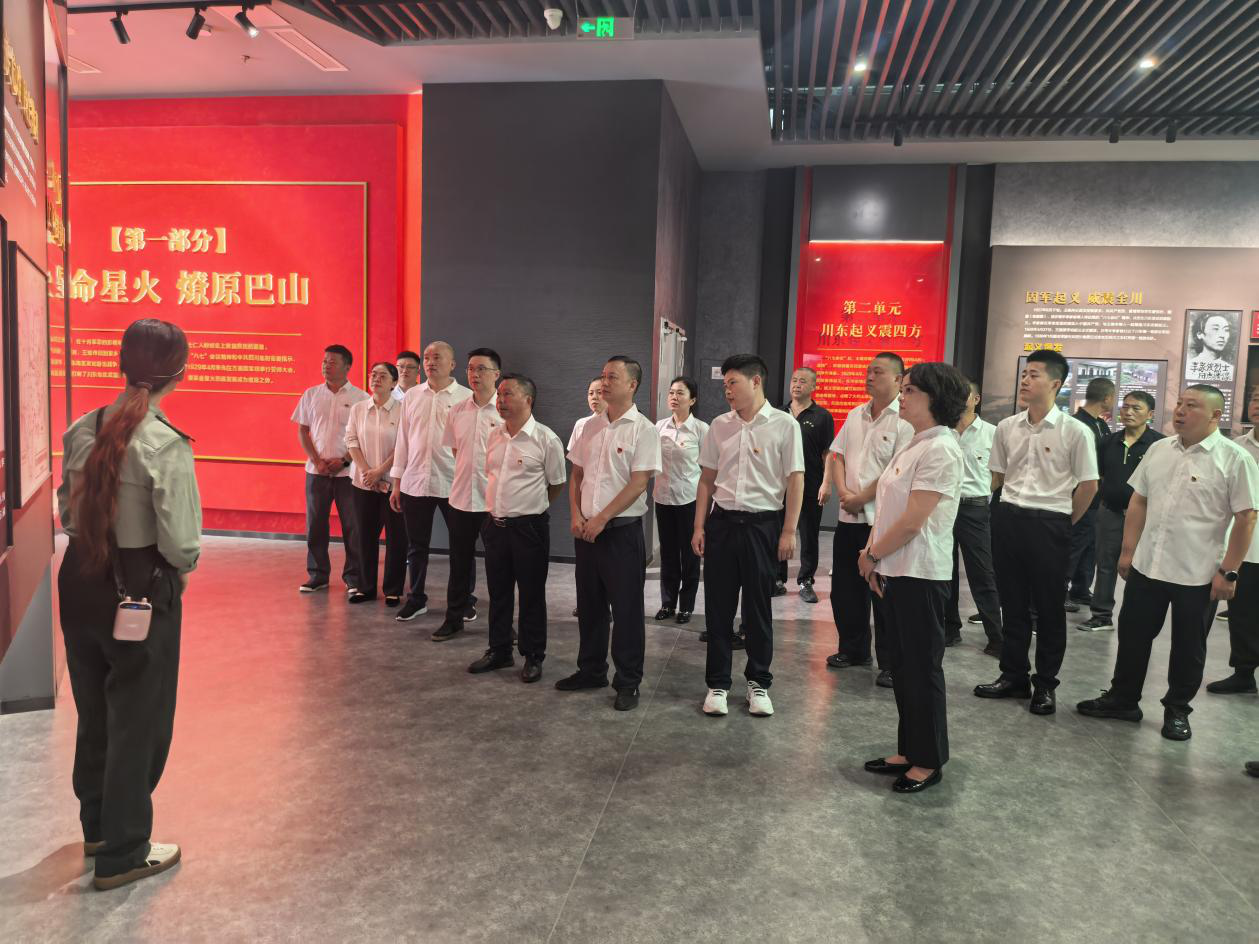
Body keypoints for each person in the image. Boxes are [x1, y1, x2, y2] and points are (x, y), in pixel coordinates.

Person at [57, 318, 201, 891]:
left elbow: (67, 512)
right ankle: (124, 852)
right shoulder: (165, 443)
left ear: (121, 364)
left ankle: (97, 829)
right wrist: (175, 579)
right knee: (139, 720)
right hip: (140, 585)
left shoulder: (81, 429)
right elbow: (182, 543)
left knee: (94, 710)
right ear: (180, 373)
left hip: (79, 576)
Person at [1077, 385, 1258, 740]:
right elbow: (1140, 500)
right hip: (1149, 565)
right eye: (1179, 403)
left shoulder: (1235, 458)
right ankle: (1123, 698)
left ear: (1215, 415)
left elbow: (1246, 516)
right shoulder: (1159, 449)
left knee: (1188, 647)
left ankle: (1177, 709)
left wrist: (1229, 571)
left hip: (1198, 573)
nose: (1180, 411)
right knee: (1133, 635)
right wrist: (1128, 551)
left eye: (1192, 406)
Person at [859, 363, 969, 794]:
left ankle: (928, 759)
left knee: (922, 669)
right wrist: (873, 555)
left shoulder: (941, 448)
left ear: (935, 398)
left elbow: (912, 521)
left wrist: (873, 554)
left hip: (921, 573)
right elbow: (888, 508)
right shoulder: (915, 442)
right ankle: (909, 749)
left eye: (909, 391)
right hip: (895, 568)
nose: (901, 397)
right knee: (903, 668)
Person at [974, 349, 1098, 716]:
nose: (1025, 380)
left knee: (1048, 609)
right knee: (1012, 603)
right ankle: (1013, 675)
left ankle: (1045, 684)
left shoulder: (1075, 431)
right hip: (1009, 518)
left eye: (1034, 375)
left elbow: (1088, 485)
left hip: (1051, 524)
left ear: (1056, 383)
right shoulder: (1008, 427)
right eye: (1024, 374)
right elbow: (998, 476)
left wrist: (1063, 522)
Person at [694, 354, 804, 718]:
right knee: (718, 608)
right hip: (722, 524)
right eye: (725, 384)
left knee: (758, 610)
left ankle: (759, 683)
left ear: (756, 381)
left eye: (733, 383)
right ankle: (717, 685)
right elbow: (707, 480)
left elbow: (795, 480)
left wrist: (788, 531)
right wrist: (699, 526)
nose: (727, 390)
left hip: (762, 526)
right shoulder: (719, 426)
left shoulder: (784, 425)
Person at [558, 356, 661, 712]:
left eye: (612, 377)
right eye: (603, 376)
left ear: (632, 384)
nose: (604, 383)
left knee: (627, 609)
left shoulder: (643, 429)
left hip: (620, 533)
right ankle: (591, 670)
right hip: (586, 531)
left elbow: (639, 483)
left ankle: (628, 681)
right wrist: (576, 514)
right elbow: (577, 475)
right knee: (589, 606)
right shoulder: (587, 426)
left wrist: (602, 518)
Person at [819, 352, 912, 687]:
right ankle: (853, 649)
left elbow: (897, 471)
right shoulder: (855, 414)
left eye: (878, 372)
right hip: (849, 518)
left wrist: (862, 498)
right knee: (845, 589)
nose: (870, 376)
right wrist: (845, 492)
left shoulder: (904, 421)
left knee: (883, 592)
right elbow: (837, 455)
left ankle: (890, 662)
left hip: (881, 522)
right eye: (868, 371)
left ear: (899, 379)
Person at [467, 374, 567, 682]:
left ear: (528, 399)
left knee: (531, 593)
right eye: (499, 395)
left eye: (508, 394)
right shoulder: (494, 435)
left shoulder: (546, 439)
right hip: (495, 526)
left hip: (529, 528)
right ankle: (499, 650)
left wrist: (530, 508)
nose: (500, 400)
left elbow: (557, 484)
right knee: (498, 592)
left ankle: (533, 655)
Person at [389, 341, 473, 622]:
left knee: (461, 547)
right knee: (417, 546)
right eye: (426, 357)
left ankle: (464, 600)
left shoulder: (466, 397)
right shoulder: (412, 396)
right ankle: (416, 598)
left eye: (437, 357)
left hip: (454, 483)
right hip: (415, 481)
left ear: (453, 364)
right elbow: (402, 440)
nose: (430, 362)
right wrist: (397, 483)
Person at [1078, 391, 1163, 632]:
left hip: (1145, 516)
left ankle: (1138, 616)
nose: (1128, 412)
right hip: (1110, 512)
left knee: (1142, 566)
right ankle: (1101, 615)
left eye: (1136, 408)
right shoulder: (1108, 442)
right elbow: (1099, 474)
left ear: (1150, 414)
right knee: (1106, 564)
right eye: (1125, 407)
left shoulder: (1159, 444)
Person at [433, 348, 502, 640]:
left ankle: (502, 626)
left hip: (494, 501)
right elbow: (455, 450)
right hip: (461, 498)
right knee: (459, 564)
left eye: (481, 369)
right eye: (471, 368)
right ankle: (454, 618)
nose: (474, 374)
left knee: (499, 568)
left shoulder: (506, 410)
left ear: (496, 374)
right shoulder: (457, 410)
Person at [293, 344, 368, 594]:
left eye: (333, 362)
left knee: (352, 526)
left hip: (348, 474)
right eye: (325, 361)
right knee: (315, 525)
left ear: (348, 366)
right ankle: (317, 575)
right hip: (317, 473)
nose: (326, 365)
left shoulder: (361, 398)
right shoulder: (311, 394)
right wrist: (316, 460)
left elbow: (364, 436)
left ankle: (354, 577)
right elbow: (303, 430)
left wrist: (344, 460)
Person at [1206, 386, 1259, 695]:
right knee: (1243, 613)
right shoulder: (1236, 449)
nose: (1257, 405)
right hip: (1246, 547)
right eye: (1256, 399)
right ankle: (1244, 673)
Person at [945, 379, 1002, 656]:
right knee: (945, 570)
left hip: (975, 508)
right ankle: (949, 629)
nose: (958, 398)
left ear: (976, 399)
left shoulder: (992, 433)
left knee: (982, 572)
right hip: (944, 507)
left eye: (964, 394)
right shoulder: (943, 431)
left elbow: (1000, 474)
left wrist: (981, 493)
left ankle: (996, 636)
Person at [344, 361, 406, 606]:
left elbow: (403, 445)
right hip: (363, 484)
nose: (376, 379)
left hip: (394, 484)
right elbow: (351, 441)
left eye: (383, 375)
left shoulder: (403, 410)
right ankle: (365, 587)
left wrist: (380, 472)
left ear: (394, 383)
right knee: (364, 536)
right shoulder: (359, 408)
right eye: (373, 374)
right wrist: (367, 472)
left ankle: (393, 589)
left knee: (397, 538)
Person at [653, 376, 709, 624]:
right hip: (663, 498)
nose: (674, 397)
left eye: (680, 393)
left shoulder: (701, 429)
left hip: (689, 500)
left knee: (689, 555)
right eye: (671, 393)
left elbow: (708, 469)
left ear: (692, 400)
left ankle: (686, 606)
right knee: (667, 554)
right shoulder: (659, 427)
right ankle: (667, 603)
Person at [1065, 376, 1116, 613]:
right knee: (1075, 544)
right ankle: (1060, 589)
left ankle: (1080, 589)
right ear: (1107, 398)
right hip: (1080, 493)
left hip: (1098, 498)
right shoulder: (1076, 424)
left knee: (1090, 546)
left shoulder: (1101, 425)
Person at [786, 367, 834, 604]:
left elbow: (828, 453)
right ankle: (776, 578)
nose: (797, 384)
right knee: (777, 531)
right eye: (794, 380)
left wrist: (826, 483)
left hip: (811, 483)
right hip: (780, 484)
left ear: (813, 386)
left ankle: (806, 580)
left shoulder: (822, 416)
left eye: (803, 381)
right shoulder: (778, 413)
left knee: (809, 534)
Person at [568, 377, 606, 618]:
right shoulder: (582, 425)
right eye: (591, 392)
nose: (594, 397)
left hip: (609, 510)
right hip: (585, 504)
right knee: (585, 566)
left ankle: (606, 605)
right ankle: (586, 604)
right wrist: (576, 512)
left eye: (599, 392)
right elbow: (577, 470)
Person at [1184, 312, 1235, 383]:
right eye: (1216, 329)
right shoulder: (1188, 368)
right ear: (1200, 334)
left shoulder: (1231, 370)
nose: (1222, 335)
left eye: (1226, 330)